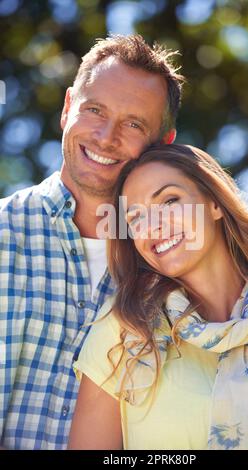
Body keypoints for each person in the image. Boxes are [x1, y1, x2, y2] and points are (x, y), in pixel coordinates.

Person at [0, 35, 184, 450]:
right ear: (68, 108)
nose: (106, 136)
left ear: (163, 143)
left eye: (134, 124)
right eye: (94, 110)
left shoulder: (175, 275)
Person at [69, 144, 248, 450]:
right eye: (136, 218)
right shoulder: (123, 333)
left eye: (168, 201)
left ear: (214, 203)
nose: (152, 226)